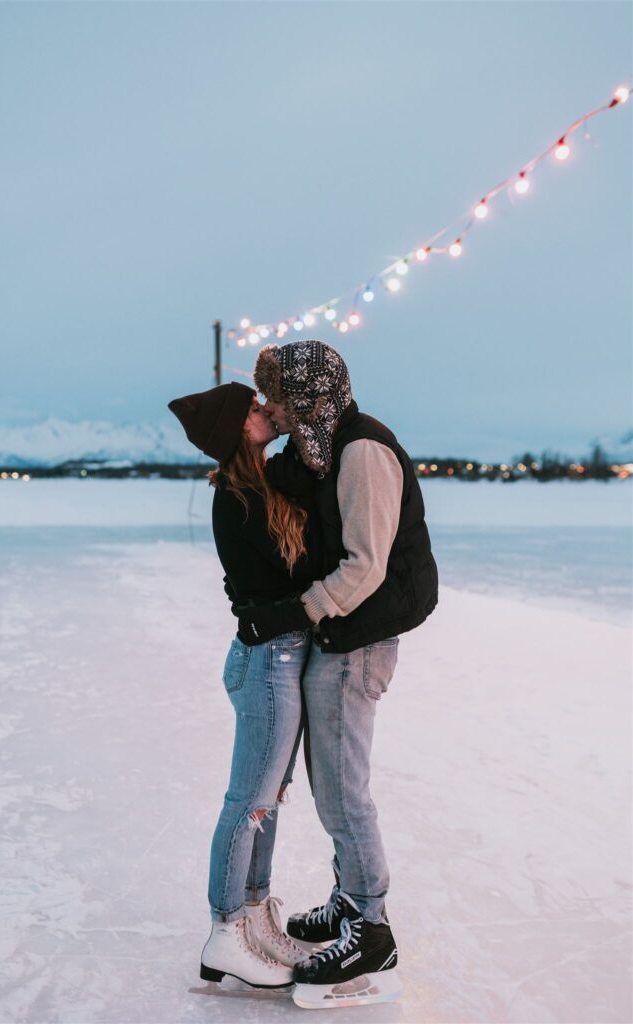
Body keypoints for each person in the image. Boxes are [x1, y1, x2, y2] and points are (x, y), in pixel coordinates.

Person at [234, 339, 439, 1009]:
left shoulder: (362, 451)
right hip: (339, 633)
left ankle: (371, 928)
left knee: (342, 789)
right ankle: (351, 900)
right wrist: (244, 441)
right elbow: (285, 484)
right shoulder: (322, 447)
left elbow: (365, 565)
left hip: (359, 639)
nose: (269, 405)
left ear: (308, 397)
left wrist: (299, 610)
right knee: (330, 783)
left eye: (277, 395)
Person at [168, 381, 321, 990]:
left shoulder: (258, 484)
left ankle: (255, 915)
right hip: (267, 662)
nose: (266, 411)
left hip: (275, 656)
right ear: (238, 430)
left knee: (266, 801)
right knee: (248, 802)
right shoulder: (236, 497)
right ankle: (225, 930)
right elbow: (299, 571)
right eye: (255, 409)